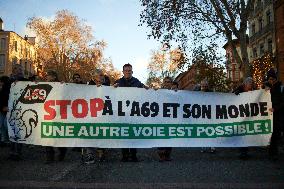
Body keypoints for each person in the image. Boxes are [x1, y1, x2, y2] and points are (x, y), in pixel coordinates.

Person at [114, 63, 148, 162]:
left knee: (133, 134)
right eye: (126, 70)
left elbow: (145, 90)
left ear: (132, 71)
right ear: (123, 72)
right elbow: (110, 92)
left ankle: (133, 155)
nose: (128, 72)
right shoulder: (118, 82)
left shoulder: (137, 82)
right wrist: (112, 88)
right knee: (123, 133)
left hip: (134, 112)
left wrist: (149, 89)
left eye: (129, 70)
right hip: (122, 112)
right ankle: (124, 155)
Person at [83, 69, 109, 164]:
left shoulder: (107, 85)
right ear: (94, 77)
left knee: (101, 132)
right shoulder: (88, 86)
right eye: (100, 75)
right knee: (89, 133)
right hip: (90, 114)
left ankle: (101, 152)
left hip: (103, 115)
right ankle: (90, 154)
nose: (102, 77)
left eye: (102, 75)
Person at [44, 70, 67, 164]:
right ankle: (49, 157)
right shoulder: (43, 85)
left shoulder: (60, 85)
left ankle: (62, 150)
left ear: (54, 77)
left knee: (57, 134)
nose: (46, 77)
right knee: (46, 134)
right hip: (47, 113)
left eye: (48, 75)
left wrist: (64, 86)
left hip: (58, 113)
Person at [8, 64, 28, 160]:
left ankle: (18, 152)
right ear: (14, 70)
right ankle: (12, 152)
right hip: (10, 109)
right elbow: (5, 93)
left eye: (21, 69)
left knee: (20, 131)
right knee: (11, 130)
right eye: (19, 69)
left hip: (21, 109)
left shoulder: (24, 81)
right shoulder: (8, 80)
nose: (21, 71)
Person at [263, 69, 284, 161]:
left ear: (275, 79)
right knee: (270, 134)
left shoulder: (280, 87)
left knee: (275, 134)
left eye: (273, 79)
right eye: (270, 79)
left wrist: (275, 108)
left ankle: (274, 153)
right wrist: (265, 89)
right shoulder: (266, 88)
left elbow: (283, 102)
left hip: (277, 115)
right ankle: (271, 152)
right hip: (268, 115)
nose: (271, 81)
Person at [233, 77, 255, 160]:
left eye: (252, 84)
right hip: (240, 116)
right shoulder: (238, 90)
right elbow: (232, 97)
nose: (251, 85)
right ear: (245, 84)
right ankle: (242, 152)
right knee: (242, 134)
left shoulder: (254, 91)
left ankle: (245, 151)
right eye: (250, 84)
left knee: (247, 134)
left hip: (249, 116)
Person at [157, 76, 174, 162]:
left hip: (171, 118)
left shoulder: (175, 93)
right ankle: (161, 155)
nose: (167, 83)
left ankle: (167, 155)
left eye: (169, 82)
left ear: (171, 83)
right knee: (161, 136)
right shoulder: (158, 92)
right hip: (160, 118)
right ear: (163, 83)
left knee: (170, 136)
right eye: (166, 82)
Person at [197, 79, 216, 153]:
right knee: (202, 129)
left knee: (211, 129)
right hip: (201, 114)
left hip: (210, 113)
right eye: (203, 86)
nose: (204, 87)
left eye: (205, 86)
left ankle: (212, 146)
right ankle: (203, 146)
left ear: (207, 86)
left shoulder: (211, 93)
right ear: (200, 85)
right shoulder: (196, 92)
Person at [0, 76, 11, 147]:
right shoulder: (2, 88)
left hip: (7, 109)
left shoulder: (8, 89)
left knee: (5, 125)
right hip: (1, 109)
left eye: (1, 81)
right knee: (2, 125)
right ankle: (3, 139)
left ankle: (8, 139)